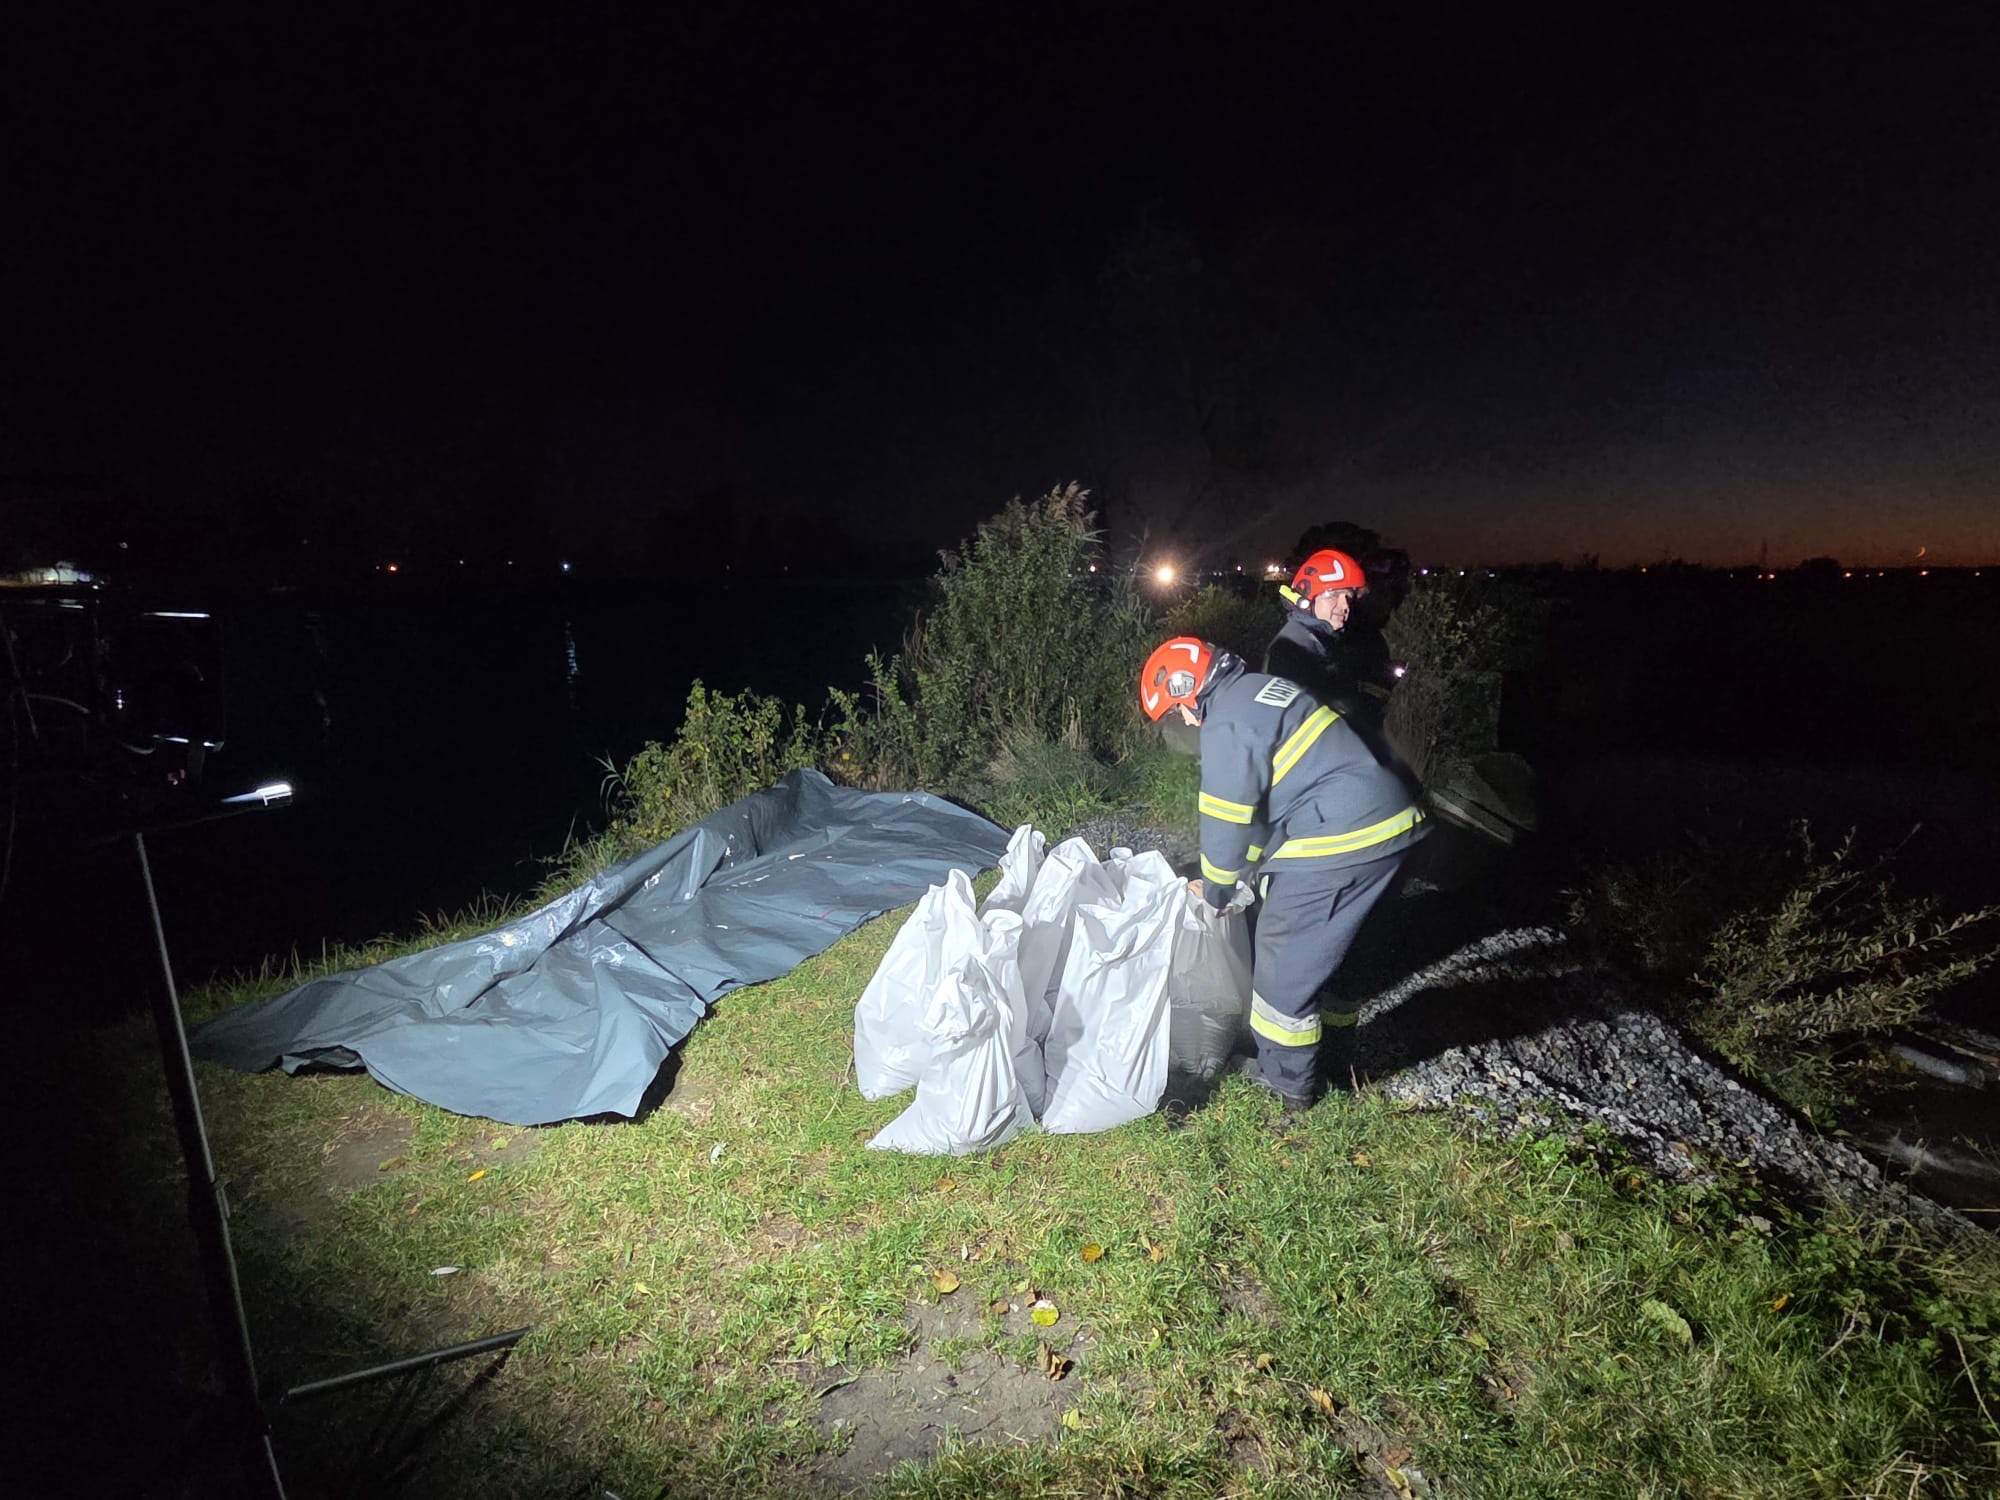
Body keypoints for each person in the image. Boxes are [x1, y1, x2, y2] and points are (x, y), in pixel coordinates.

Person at [1139, 635, 1427, 1110]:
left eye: (1177, 711)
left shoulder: (1227, 722)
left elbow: (1225, 816)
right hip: (1392, 822)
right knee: (1343, 954)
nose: (1186, 721)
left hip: (1343, 834)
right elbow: (1267, 807)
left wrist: (1217, 890)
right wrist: (1248, 873)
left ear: (1188, 689)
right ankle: (1335, 1058)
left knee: (1280, 961)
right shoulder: (1260, 690)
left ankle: (1287, 1086)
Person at [1264, 548, 1396, 721]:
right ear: (1306, 600)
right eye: (1332, 595)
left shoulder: (1323, 638)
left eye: (1348, 596)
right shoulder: (1290, 651)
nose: (1345, 606)